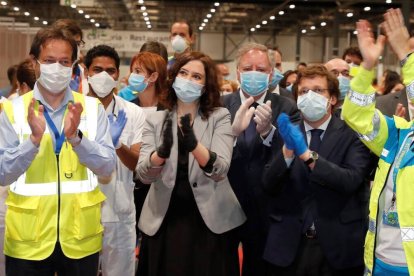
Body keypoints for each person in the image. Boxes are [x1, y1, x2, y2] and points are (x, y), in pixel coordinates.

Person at [0, 26, 116, 275]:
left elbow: (107, 167)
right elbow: (2, 174)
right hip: (28, 240)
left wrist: (76, 139)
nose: (57, 68)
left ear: (74, 65)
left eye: (64, 62)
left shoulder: (92, 109)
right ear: (35, 63)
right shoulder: (14, 110)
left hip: (80, 239)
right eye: (49, 61)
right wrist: (32, 141)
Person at [136, 51, 246, 276]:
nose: (188, 80)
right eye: (183, 73)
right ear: (174, 78)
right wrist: (160, 154)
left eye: (197, 77)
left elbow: (220, 170)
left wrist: (195, 145)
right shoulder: (155, 120)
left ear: (206, 86)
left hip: (210, 222)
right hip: (164, 220)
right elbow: (143, 175)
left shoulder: (220, 117)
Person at [262, 64, 371, 276]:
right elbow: (268, 183)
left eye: (318, 90)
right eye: (303, 91)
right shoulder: (286, 130)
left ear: (332, 99)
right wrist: (286, 153)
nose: (310, 96)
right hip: (289, 245)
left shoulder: (352, 134)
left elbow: (350, 180)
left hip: (337, 246)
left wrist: (308, 156)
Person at [342, 8, 414, 275]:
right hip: (378, 263)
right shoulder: (398, 134)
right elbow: (355, 115)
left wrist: (407, 58)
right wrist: (368, 67)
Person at [223, 42, 300, 276]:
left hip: (267, 206)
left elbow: (290, 154)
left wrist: (268, 133)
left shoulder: (287, 107)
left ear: (270, 74)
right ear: (238, 72)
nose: (254, 73)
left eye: (261, 68)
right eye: (248, 68)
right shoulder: (220, 105)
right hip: (226, 203)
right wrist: (232, 136)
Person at [84, 44, 146, 276]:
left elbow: (137, 164)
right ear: (86, 71)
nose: (103, 76)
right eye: (97, 69)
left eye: (109, 71)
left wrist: (118, 145)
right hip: (80, 211)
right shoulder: (73, 110)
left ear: (118, 74)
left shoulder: (132, 113)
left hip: (119, 210)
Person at [52, 19, 88, 94]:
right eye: (70, 43)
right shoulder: (46, 73)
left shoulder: (84, 74)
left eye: (77, 44)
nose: (75, 48)